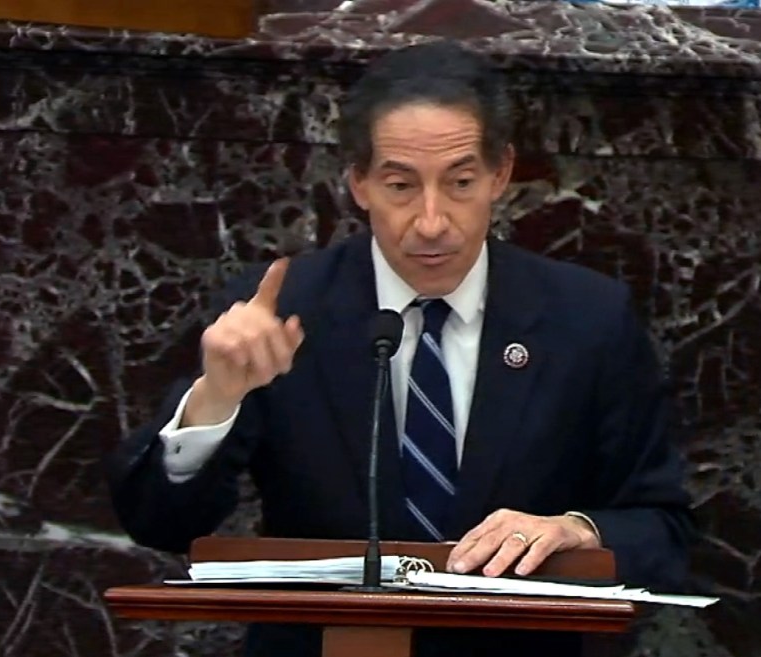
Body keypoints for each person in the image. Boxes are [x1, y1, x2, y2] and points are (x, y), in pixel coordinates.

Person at [106, 39, 696, 657]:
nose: (432, 220)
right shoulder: (278, 311)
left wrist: (576, 531)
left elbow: (664, 528)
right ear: (359, 184)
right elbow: (159, 522)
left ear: (501, 174)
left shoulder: (587, 318)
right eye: (400, 186)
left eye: (461, 182)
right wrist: (215, 400)